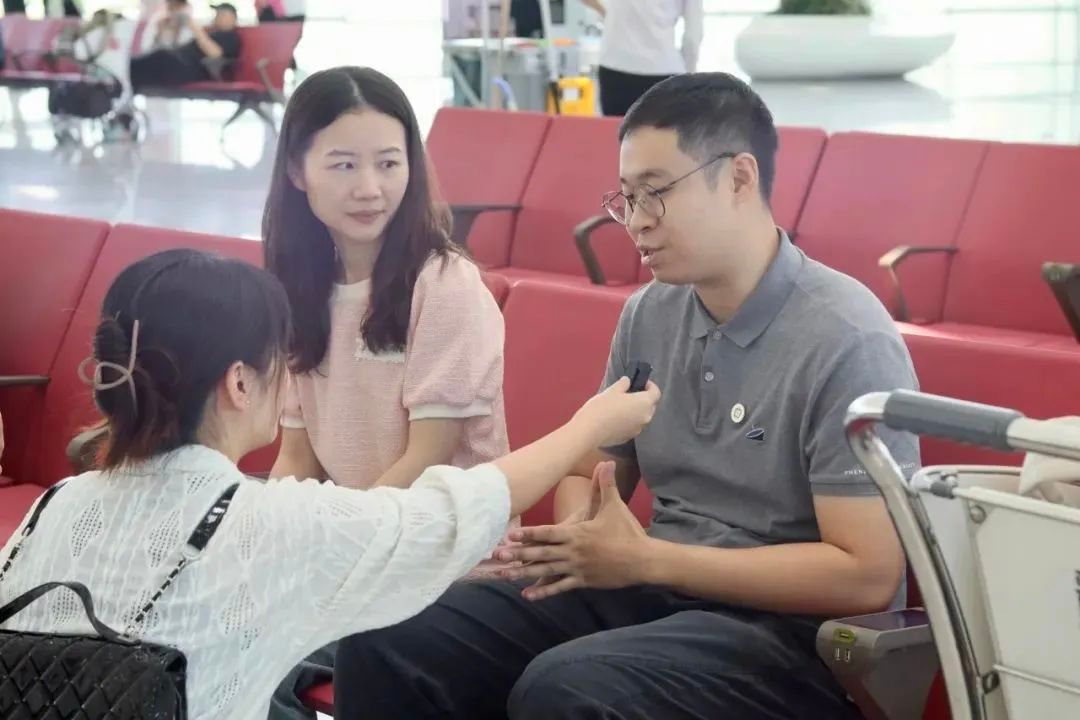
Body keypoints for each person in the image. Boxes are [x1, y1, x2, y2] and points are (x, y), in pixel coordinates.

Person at [333, 72, 921, 720]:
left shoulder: (846, 337)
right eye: (627, 198)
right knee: (389, 637)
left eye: (656, 194)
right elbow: (591, 469)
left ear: (739, 178)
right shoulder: (653, 312)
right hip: (654, 590)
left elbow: (866, 574)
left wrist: (650, 558)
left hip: (787, 636)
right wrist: (583, 535)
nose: (637, 222)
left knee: (568, 688)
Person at [0, 248, 661, 720]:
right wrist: (588, 427)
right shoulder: (264, 523)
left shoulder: (52, 507)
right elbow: (455, 509)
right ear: (239, 383)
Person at [262, 65, 514, 717]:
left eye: (388, 163)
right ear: (296, 171)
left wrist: (333, 551)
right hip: (362, 548)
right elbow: (297, 456)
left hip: (448, 560)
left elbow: (428, 459)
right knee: (219, 631)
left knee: (272, 650)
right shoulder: (297, 288)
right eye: (344, 165)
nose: (370, 188)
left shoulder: (444, 284)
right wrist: (263, 536)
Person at [582, 0, 704, 116]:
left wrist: (609, 14)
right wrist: (688, 75)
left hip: (616, 66)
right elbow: (692, 38)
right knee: (663, 130)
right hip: (663, 70)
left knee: (616, 129)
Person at [129, 2, 241, 91]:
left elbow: (215, 54)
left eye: (222, 14)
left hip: (195, 70)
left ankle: (126, 79)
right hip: (178, 64)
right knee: (143, 64)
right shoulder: (211, 34)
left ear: (233, 19)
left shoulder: (230, 37)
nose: (217, 17)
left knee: (160, 58)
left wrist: (195, 28)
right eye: (217, 14)